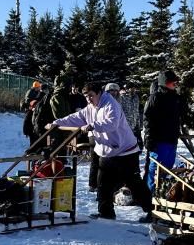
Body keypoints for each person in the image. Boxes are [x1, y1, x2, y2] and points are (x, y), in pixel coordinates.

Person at [48, 81, 152, 222]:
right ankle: (106, 212)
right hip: (106, 151)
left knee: (133, 182)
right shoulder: (90, 107)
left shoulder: (111, 104)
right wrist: (57, 123)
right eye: (86, 96)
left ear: (99, 93)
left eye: (91, 96)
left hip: (125, 150)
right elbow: (76, 118)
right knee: (103, 183)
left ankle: (152, 212)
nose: (88, 99)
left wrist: (92, 126)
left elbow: (111, 123)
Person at [143, 70, 181, 192]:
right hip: (159, 140)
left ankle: (163, 191)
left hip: (171, 138)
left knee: (168, 168)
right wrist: (149, 137)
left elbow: (183, 114)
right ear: (165, 83)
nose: (175, 84)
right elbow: (147, 118)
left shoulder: (175, 98)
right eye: (173, 82)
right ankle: (151, 194)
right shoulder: (155, 97)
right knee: (155, 168)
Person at [119, 81, 143, 149]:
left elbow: (137, 111)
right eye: (131, 88)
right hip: (125, 127)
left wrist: (139, 125)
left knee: (137, 147)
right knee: (127, 147)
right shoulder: (122, 97)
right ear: (127, 89)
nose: (133, 90)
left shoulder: (136, 97)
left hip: (135, 126)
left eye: (134, 88)